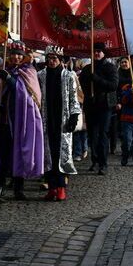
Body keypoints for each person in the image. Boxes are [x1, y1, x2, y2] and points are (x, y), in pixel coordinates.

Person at [0, 41, 44, 202]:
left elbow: (27, 97)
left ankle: (19, 188)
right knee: (3, 154)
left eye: (19, 54)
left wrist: (11, 81)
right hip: (3, 121)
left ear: (24, 56)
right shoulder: (1, 71)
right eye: (13, 54)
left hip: (22, 121)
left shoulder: (29, 72)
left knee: (20, 151)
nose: (16, 57)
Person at [38, 46, 81, 201]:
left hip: (62, 120)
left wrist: (74, 117)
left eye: (54, 58)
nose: (51, 61)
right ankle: (51, 187)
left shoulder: (68, 76)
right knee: (48, 154)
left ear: (61, 60)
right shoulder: (41, 75)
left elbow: (73, 98)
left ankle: (61, 187)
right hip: (46, 119)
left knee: (61, 154)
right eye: (49, 58)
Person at [79, 42, 119, 175]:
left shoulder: (110, 68)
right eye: (94, 51)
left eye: (99, 51)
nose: (96, 53)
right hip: (91, 105)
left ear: (103, 53)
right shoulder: (87, 68)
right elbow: (82, 84)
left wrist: (96, 79)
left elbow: (113, 85)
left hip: (105, 106)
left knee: (102, 134)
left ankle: (103, 163)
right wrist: (87, 84)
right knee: (92, 135)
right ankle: (94, 161)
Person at [72, 59, 89, 162]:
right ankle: (78, 152)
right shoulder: (74, 77)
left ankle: (85, 149)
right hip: (78, 107)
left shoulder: (88, 78)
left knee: (84, 132)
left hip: (85, 107)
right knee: (77, 131)